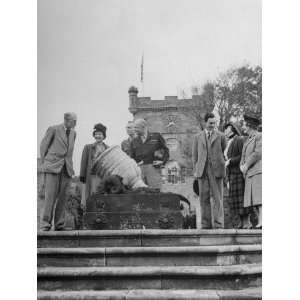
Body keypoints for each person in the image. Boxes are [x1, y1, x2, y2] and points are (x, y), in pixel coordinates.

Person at [39, 112, 77, 231]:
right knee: (49, 197)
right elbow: (43, 146)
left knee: (63, 198)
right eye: (74, 121)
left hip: (66, 169)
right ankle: (45, 225)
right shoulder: (53, 129)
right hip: (52, 167)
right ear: (66, 120)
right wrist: (46, 163)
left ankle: (60, 224)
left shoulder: (74, 133)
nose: (76, 123)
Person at [192, 112, 227, 229]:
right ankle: (205, 224)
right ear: (205, 122)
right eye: (210, 123)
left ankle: (218, 224)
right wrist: (196, 171)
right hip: (202, 171)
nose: (212, 125)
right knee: (204, 198)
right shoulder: (197, 137)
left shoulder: (221, 136)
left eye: (214, 123)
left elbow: (224, 151)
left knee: (218, 198)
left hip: (216, 170)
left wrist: (220, 164)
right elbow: (195, 156)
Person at [129, 118, 169, 189]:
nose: (134, 129)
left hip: (154, 169)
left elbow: (166, 150)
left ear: (143, 127)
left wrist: (162, 161)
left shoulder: (156, 136)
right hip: (140, 171)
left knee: (156, 193)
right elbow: (131, 157)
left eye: (136, 127)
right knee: (141, 194)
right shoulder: (134, 141)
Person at [240, 114, 262, 229]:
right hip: (249, 173)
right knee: (254, 200)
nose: (243, 127)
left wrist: (246, 165)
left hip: (257, 171)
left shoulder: (259, 136)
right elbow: (244, 155)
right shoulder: (248, 139)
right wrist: (242, 166)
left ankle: (262, 222)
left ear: (250, 126)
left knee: (260, 199)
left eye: (244, 125)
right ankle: (260, 222)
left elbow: (258, 153)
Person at [79, 123, 109, 204]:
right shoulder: (88, 147)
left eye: (100, 134)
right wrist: (82, 176)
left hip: (102, 177)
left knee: (102, 197)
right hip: (91, 177)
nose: (98, 136)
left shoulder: (108, 149)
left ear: (103, 136)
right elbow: (83, 163)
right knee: (90, 197)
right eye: (96, 134)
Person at [224, 122, 245, 228]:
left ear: (232, 129)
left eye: (226, 129)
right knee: (234, 202)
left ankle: (246, 223)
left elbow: (242, 155)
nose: (224, 131)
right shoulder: (228, 142)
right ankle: (239, 224)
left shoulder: (239, 140)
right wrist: (227, 179)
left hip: (238, 174)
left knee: (241, 201)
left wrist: (231, 161)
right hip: (231, 175)